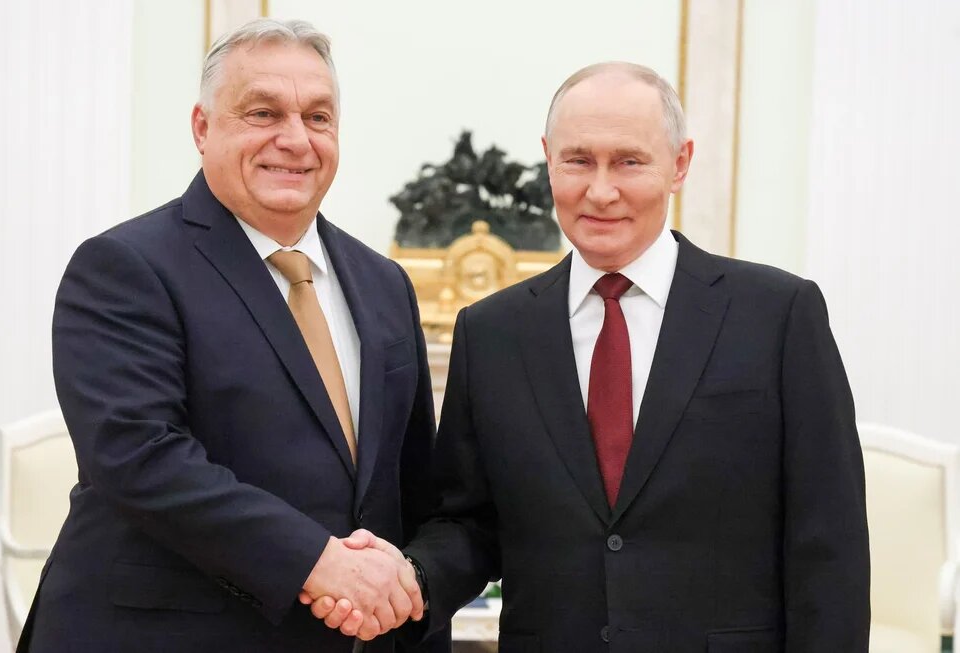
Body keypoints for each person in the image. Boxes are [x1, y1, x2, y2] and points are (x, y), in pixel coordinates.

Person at [316, 62, 871, 651]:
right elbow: (470, 522)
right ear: (548, 160)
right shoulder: (491, 333)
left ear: (679, 164)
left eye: (629, 161)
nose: (600, 190)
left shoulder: (779, 315)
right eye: (578, 160)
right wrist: (411, 577)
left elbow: (827, 541)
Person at [18, 18, 448, 653]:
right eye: (263, 113)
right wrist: (319, 562)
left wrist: (406, 592)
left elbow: (408, 490)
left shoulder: (383, 284)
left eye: (319, 117)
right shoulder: (125, 267)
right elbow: (140, 457)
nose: (295, 140)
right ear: (202, 127)